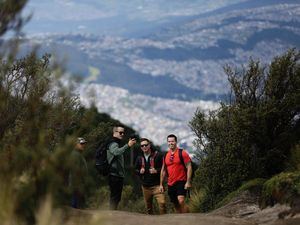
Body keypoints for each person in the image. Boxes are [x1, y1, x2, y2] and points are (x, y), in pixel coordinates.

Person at [159, 134, 192, 213]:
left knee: (180, 200)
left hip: (181, 180)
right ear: (167, 142)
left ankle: (187, 218)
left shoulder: (182, 153)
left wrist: (188, 182)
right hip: (170, 183)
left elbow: (189, 167)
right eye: (169, 141)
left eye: (172, 141)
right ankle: (181, 218)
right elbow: (163, 170)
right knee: (175, 204)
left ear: (176, 142)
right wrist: (161, 184)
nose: (171, 143)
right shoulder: (166, 155)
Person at [107, 125, 136, 210]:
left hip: (117, 174)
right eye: (120, 132)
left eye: (123, 133)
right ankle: (111, 215)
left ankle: (112, 213)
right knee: (115, 197)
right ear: (114, 133)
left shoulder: (116, 143)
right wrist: (128, 145)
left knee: (116, 197)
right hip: (114, 174)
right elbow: (116, 152)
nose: (122, 134)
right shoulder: (113, 143)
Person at [135, 138, 166, 214]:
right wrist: (140, 171)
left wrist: (156, 171)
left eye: (146, 145)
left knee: (162, 203)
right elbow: (135, 170)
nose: (144, 147)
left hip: (157, 186)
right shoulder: (139, 158)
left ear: (149, 145)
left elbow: (164, 169)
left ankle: (164, 221)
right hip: (145, 187)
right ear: (141, 147)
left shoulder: (158, 155)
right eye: (142, 146)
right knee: (149, 208)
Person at [69, 137, 88, 209]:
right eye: (81, 144)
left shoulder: (78, 154)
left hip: (78, 183)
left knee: (77, 205)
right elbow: (75, 170)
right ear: (75, 145)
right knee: (75, 206)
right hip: (76, 184)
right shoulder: (75, 155)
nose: (83, 145)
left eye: (84, 144)